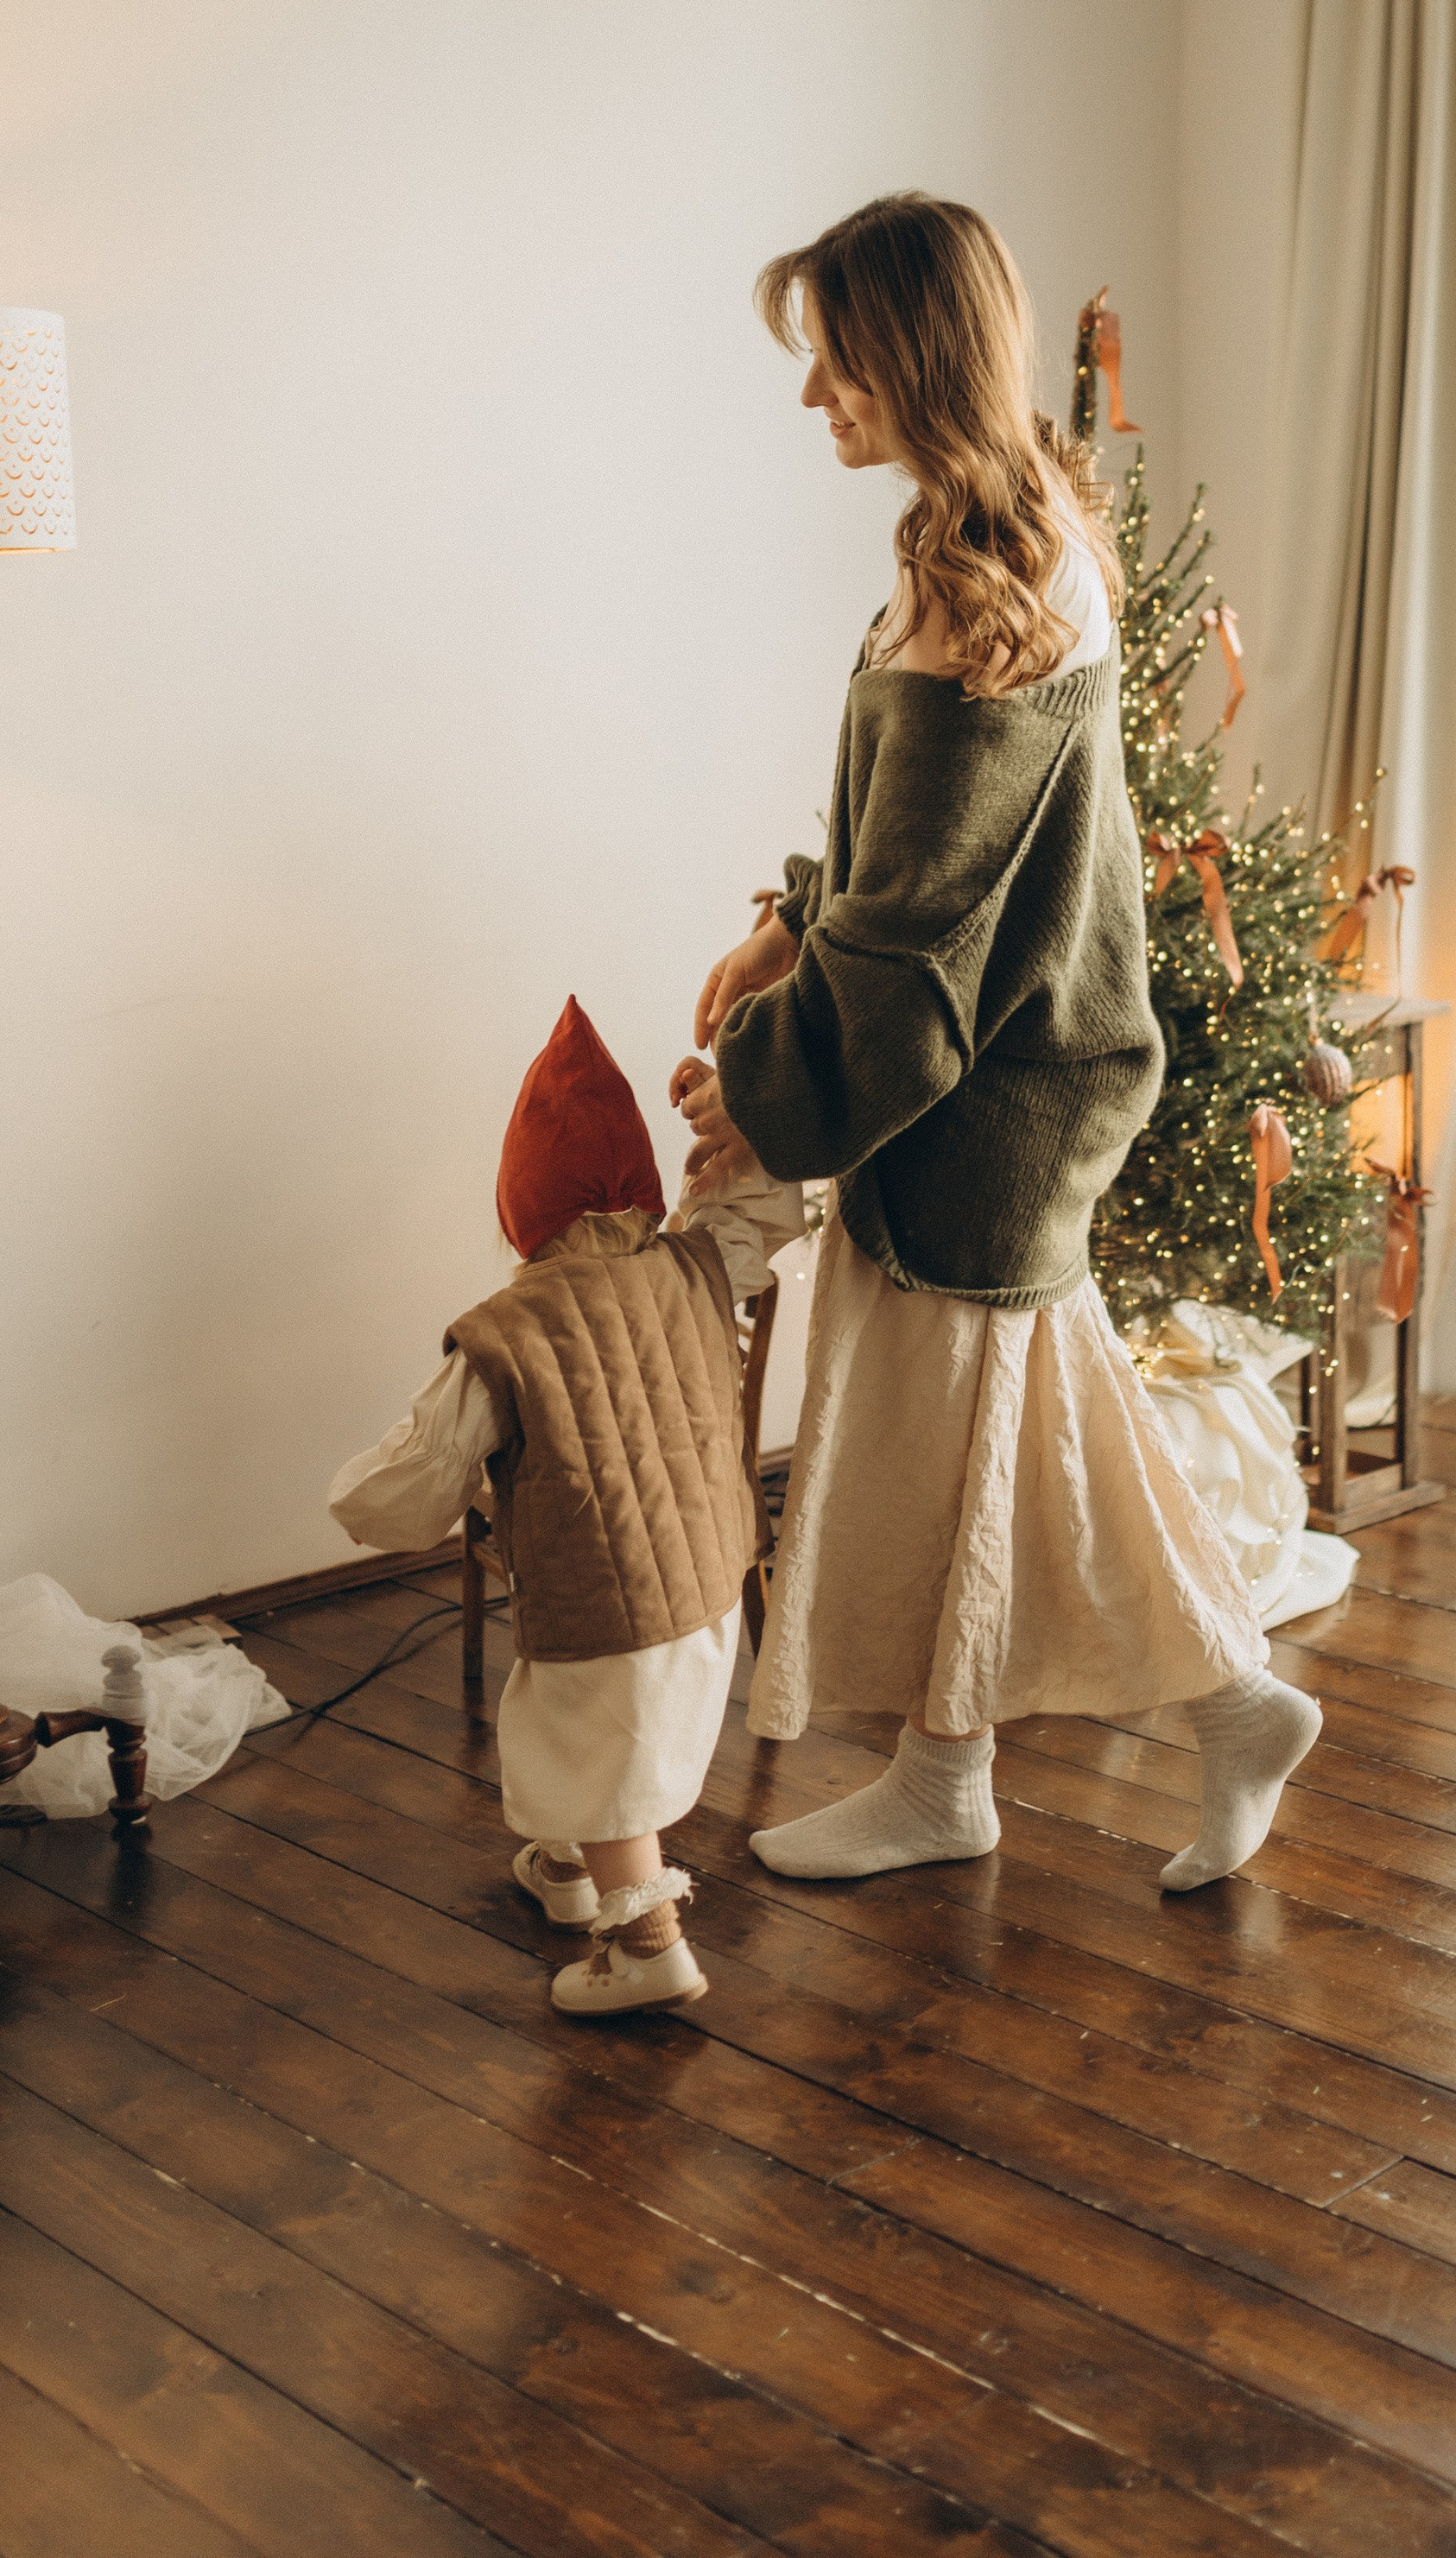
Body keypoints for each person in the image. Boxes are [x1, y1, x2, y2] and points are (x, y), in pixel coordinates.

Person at [671, 193, 1320, 1890]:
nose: (813, 394)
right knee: (1022, 1432)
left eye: (834, 359)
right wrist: (787, 918)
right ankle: (1207, 1712)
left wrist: (757, 1093)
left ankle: (953, 1779)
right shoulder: (975, 542)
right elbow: (896, 851)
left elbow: (919, 938)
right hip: (1006, 1072)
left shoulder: (996, 583)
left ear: (911, 354)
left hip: (990, 1090)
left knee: (948, 1447)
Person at [329, 997, 798, 2014]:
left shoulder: (507, 1331)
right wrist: (734, 1125)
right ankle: (563, 1869)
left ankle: (649, 1950)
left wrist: (354, 1502)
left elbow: (409, 1490)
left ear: (521, 1208)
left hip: (602, 1602)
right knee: (601, 1745)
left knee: (595, 1754)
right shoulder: (697, 1259)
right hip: (708, 1578)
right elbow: (763, 1203)